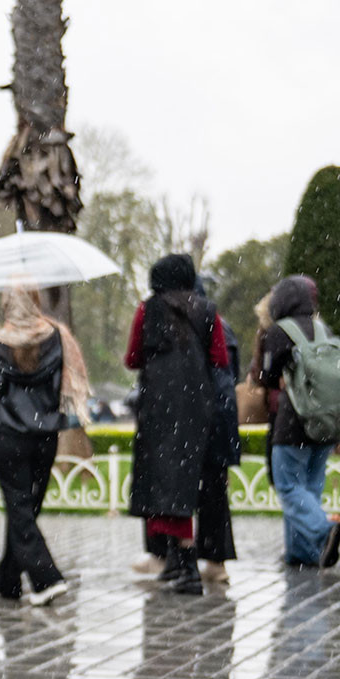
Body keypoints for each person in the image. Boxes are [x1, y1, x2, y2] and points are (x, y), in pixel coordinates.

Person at [0, 281, 89, 605]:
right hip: (45, 435)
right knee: (27, 509)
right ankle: (5, 581)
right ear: (36, 302)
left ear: (7, 305)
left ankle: (46, 579)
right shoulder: (57, 339)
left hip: (9, 437)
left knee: (21, 510)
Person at [125, 254, 228, 596]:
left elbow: (132, 358)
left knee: (160, 480)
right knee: (185, 481)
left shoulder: (147, 309)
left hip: (158, 405)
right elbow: (220, 359)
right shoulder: (208, 310)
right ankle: (178, 564)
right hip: (197, 405)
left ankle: (184, 563)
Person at [258, 275, 340, 568]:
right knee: (309, 488)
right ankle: (302, 553)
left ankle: (323, 530)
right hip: (324, 424)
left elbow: (268, 378)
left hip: (292, 423)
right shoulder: (324, 329)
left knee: (288, 486)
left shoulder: (278, 332)